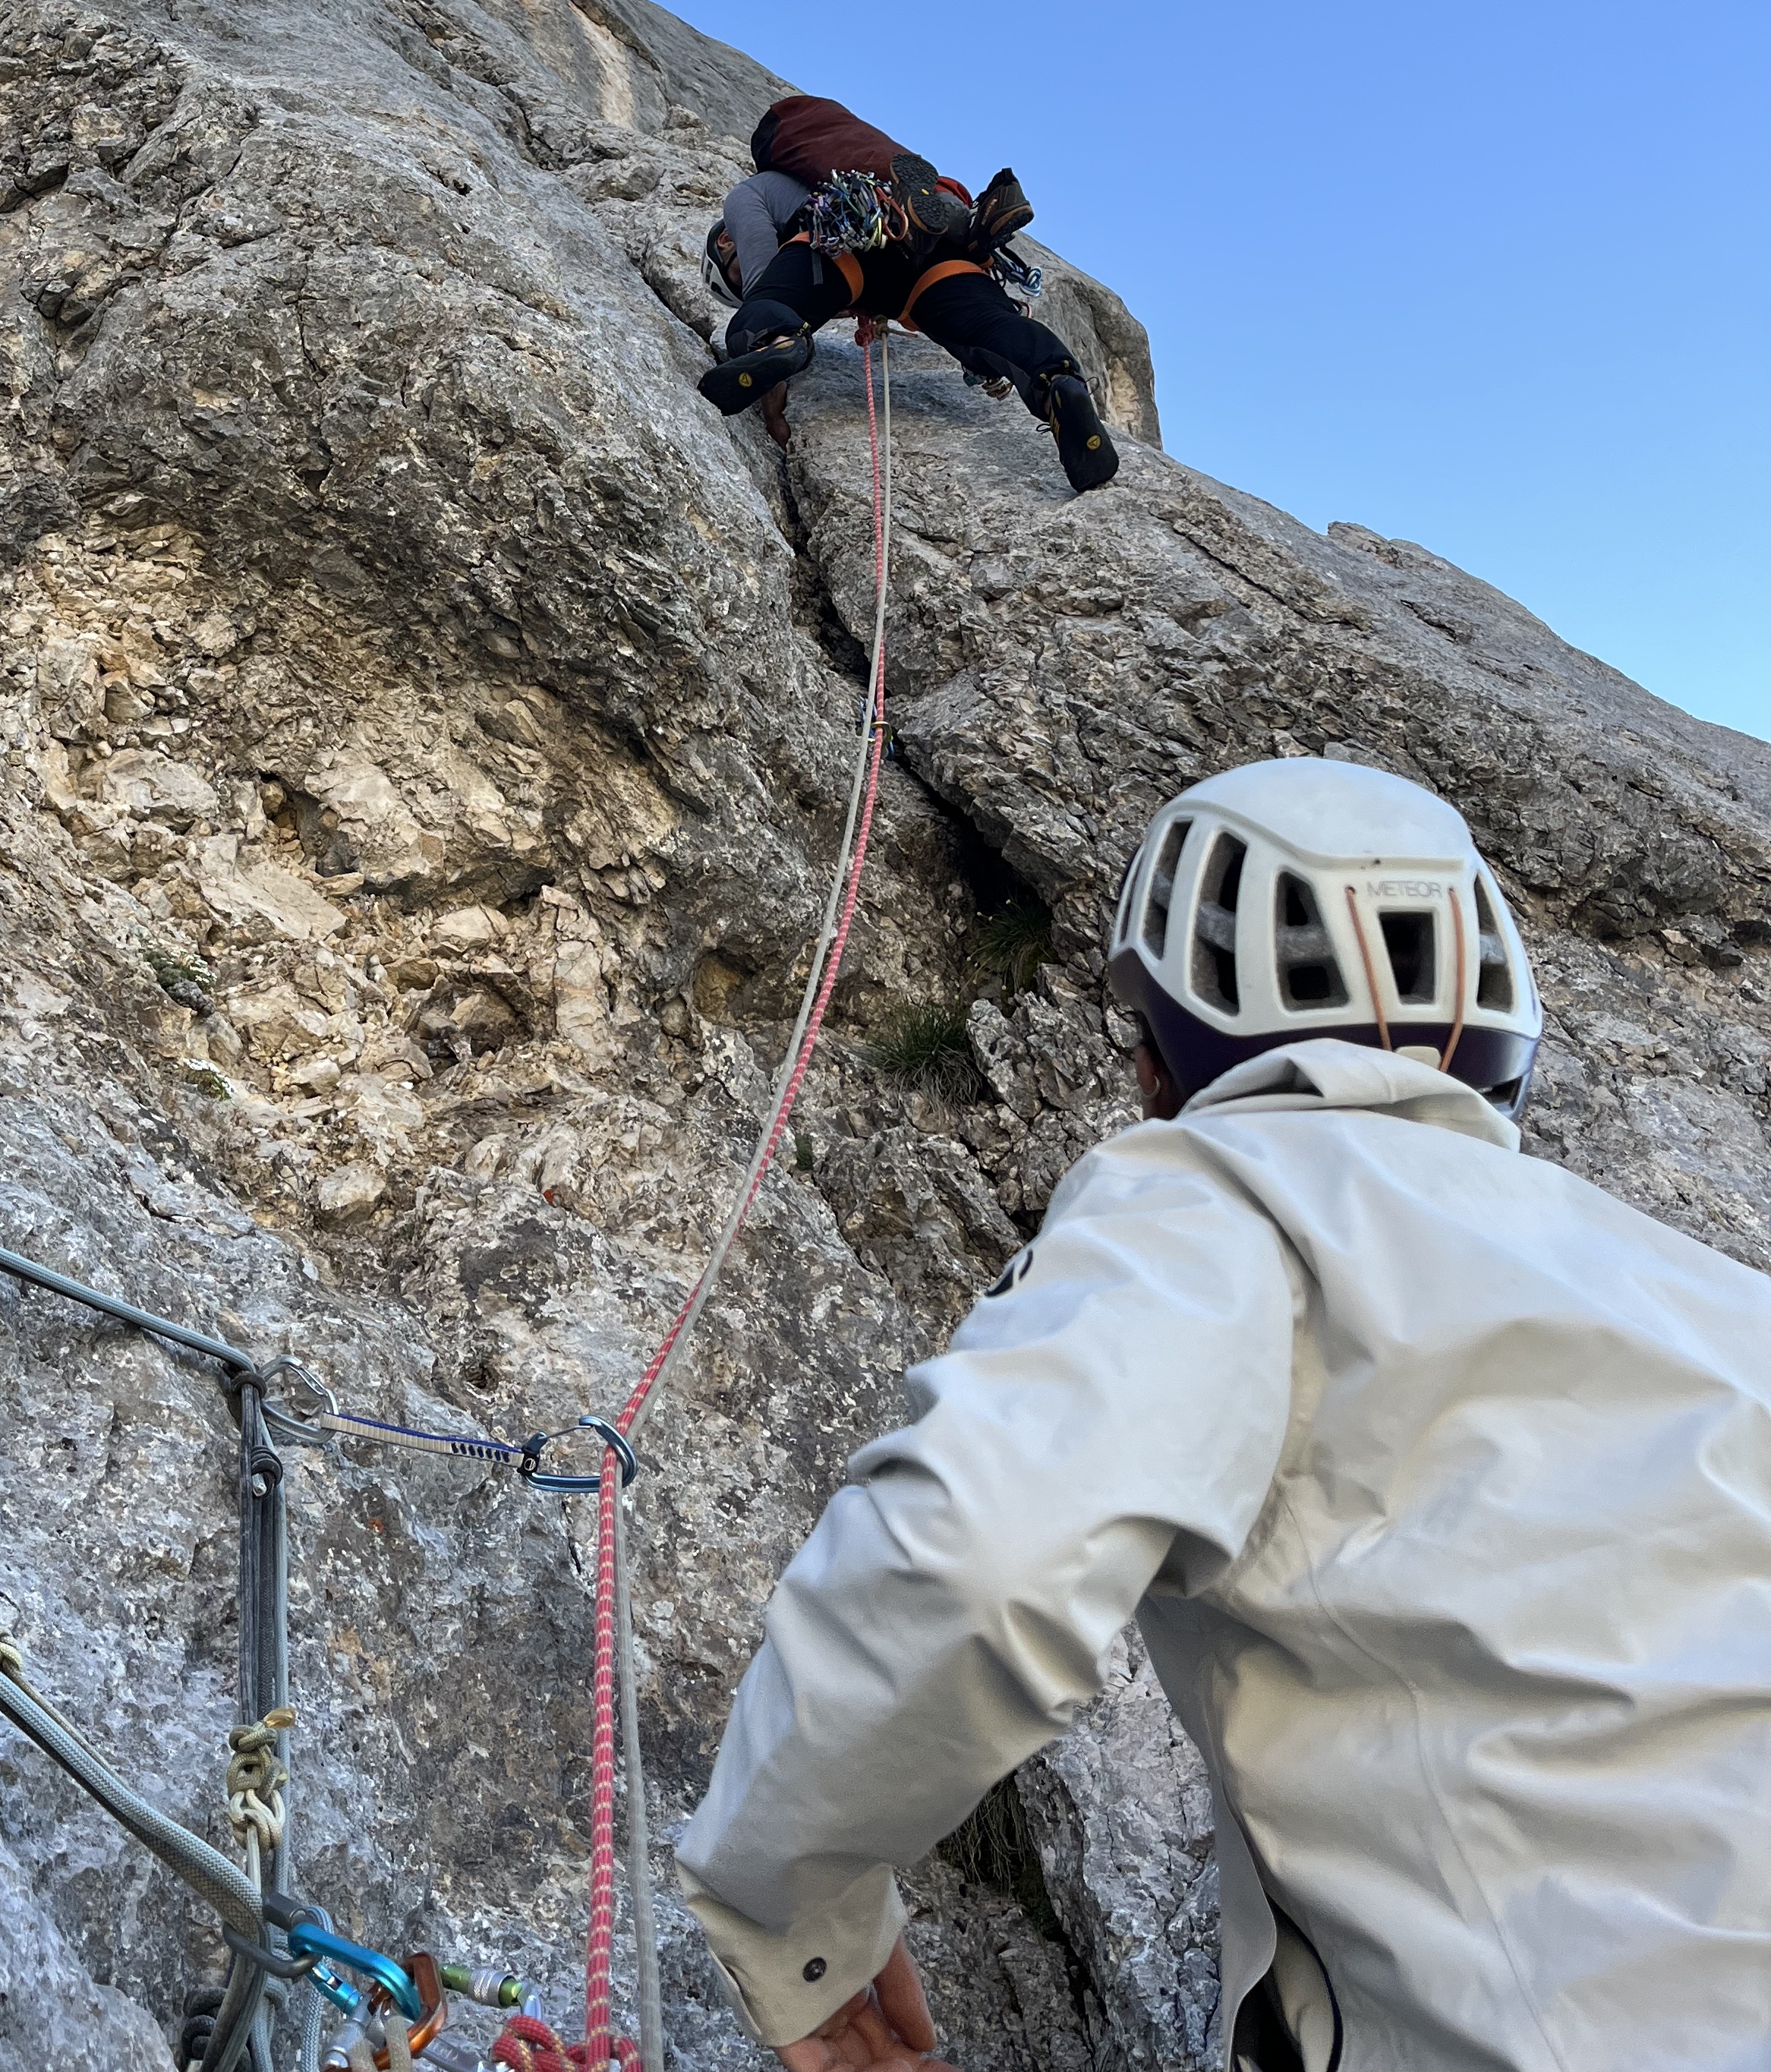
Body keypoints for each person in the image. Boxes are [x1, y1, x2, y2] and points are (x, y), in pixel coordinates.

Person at [676, 758, 1771, 2072]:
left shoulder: (1217, 1192)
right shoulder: (1708, 1294)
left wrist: (791, 1917)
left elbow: (977, 1551)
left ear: (1166, 1049)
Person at [699, 93, 1117, 492]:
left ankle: (776, 333)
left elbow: (764, 277)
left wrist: (766, 327)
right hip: (928, 267)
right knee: (988, 327)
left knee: (772, 308)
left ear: (724, 242)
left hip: (847, 239)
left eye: (733, 277)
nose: (745, 278)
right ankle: (1057, 381)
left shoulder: (757, 191)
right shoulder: (822, 171)